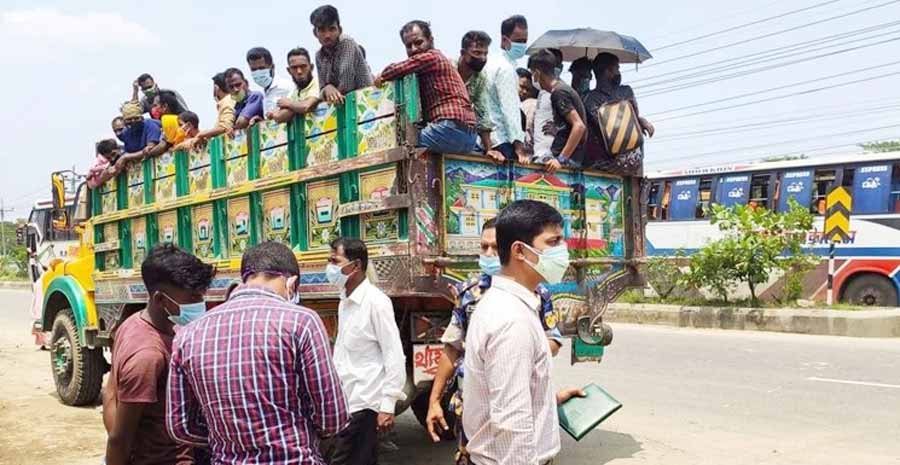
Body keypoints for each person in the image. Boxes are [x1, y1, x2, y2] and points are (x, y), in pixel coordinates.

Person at [167, 241, 349, 464]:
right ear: (291, 283)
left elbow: (180, 427)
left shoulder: (187, 335)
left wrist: (225, 436)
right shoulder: (302, 322)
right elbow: (333, 418)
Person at [424, 218, 563, 463]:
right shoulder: (469, 293)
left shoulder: (538, 294)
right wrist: (434, 400)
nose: (489, 254)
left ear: (511, 249)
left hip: (516, 398)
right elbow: (451, 348)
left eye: (495, 248)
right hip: (473, 404)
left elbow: (552, 340)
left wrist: (517, 356)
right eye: (483, 247)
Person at [462, 199, 570, 465]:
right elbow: (511, 420)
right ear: (520, 251)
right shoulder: (511, 319)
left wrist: (547, 396)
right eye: (553, 243)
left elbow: (508, 389)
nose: (563, 251)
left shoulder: (512, 304)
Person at [104, 243, 215, 465]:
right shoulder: (148, 356)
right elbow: (119, 438)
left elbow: (110, 394)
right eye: (192, 298)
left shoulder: (132, 324)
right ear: (160, 300)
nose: (199, 304)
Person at [327, 237, 405, 465]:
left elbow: (393, 354)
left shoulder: (376, 302)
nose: (330, 267)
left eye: (335, 261)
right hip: (346, 400)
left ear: (356, 265)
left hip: (364, 402)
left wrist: (388, 405)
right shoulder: (345, 301)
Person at [375, 21, 477, 155]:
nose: (414, 49)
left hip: (450, 128)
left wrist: (382, 75)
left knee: (402, 143)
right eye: (408, 46)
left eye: (418, 42)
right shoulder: (435, 62)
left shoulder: (432, 57)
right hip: (468, 136)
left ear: (431, 40)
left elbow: (396, 69)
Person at [583, 52, 654, 170]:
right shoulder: (592, 99)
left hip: (630, 162)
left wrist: (641, 120)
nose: (619, 73)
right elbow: (607, 126)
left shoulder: (625, 91)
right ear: (607, 71)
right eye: (617, 68)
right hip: (606, 164)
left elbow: (634, 116)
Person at [529, 49, 587, 173]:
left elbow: (579, 126)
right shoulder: (561, 89)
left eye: (532, 73)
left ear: (537, 73)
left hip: (566, 159)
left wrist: (560, 159)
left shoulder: (559, 92)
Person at [480, 15, 529, 162]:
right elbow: (510, 110)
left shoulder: (491, 62)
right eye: (518, 41)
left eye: (524, 41)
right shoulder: (505, 68)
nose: (522, 45)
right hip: (503, 141)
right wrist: (519, 146)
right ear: (504, 40)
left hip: (488, 140)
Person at [456, 31, 504, 163]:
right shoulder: (449, 68)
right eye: (477, 53)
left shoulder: (480, 78)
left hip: (462, 132)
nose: (482, 58)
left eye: (485, 53)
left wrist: (489, 149)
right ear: (463, 53)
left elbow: (482, 112)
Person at [310, 5, 373, 105]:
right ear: (315, 33)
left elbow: (346, 85)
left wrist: (328, 90)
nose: (327, 35)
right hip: (343, 107)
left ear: (340, 30)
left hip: (366, 103)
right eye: (322, 30)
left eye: (332, 29)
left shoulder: (347, 43)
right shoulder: (319, 55)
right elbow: (321, 91)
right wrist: (327, 88)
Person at [272, 47, 321, 123]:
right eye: (294, 68)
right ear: (289, 71)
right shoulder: (295, 92)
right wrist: (296, 107)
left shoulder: (318, 83)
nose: (299, 71)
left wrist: (289, 104)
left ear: (311, 67)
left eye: (303, 66)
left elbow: (305, 106)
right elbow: (279, 117)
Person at [245, 47, 294, 119]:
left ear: (272, 67)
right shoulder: (265, 93)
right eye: (254, 69)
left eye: (261, 68)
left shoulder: (286, 86)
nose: (258, 73)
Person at [114, 101, 163, 171]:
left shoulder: (150, 125)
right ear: (124, 122)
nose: (133, 121)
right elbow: (128, 152)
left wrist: (126, 157)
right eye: (129, 119)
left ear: (142, 118)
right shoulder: (126, 133)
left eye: (136, 118)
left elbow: (150, 149)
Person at [192, 73, 235, 147]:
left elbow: (225, 126)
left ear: (216, 88)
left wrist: (201, 134)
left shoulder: (227, 101)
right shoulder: (230, 100)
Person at [516, 68, 539, 153]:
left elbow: (528, 130)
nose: (525, 92)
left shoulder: (530, 104)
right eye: (522, 87)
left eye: (528, 90)